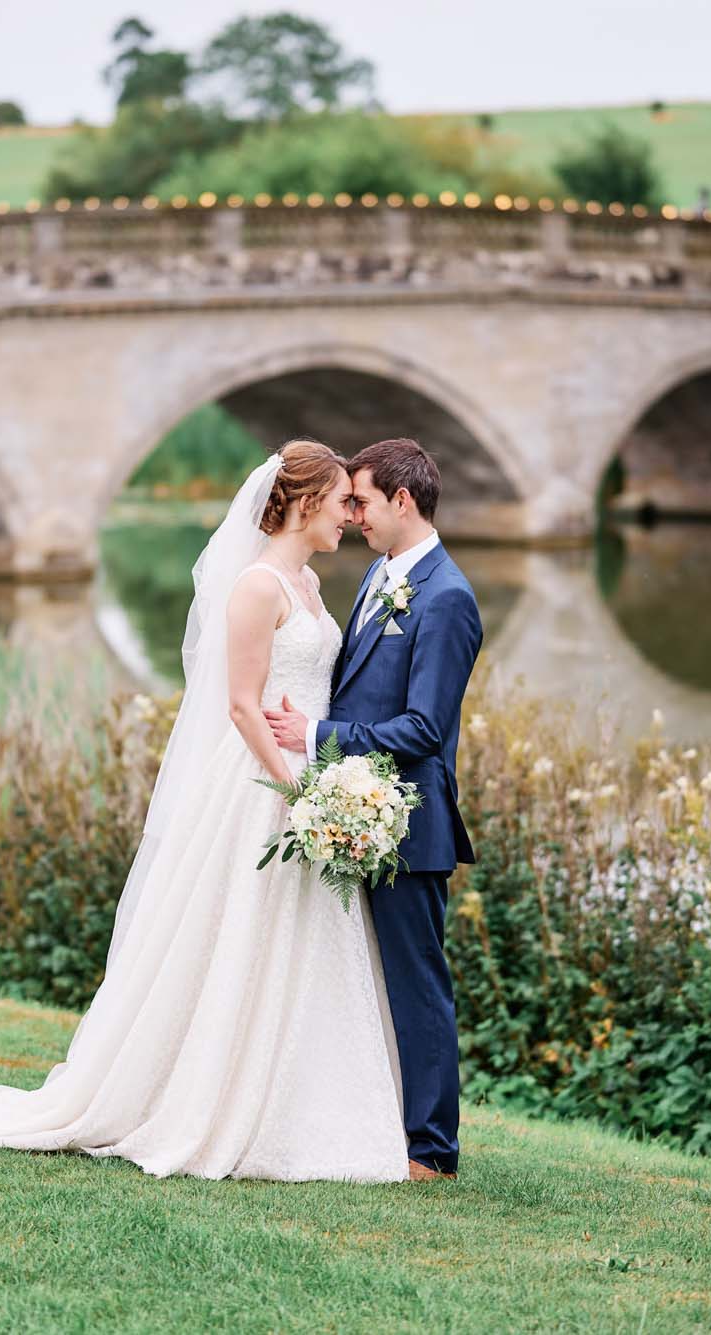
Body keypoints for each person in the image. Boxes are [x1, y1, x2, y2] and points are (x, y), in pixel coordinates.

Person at [0, 441, 412, 1183]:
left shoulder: (307, 584)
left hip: (306, 772)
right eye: (343, 500)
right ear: (307, 501)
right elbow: (242, 707)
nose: (351, 514)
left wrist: (326, 776)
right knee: (240, 938)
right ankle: (208, 1099)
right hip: (263, 786)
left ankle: (306, 1105)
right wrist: (299, 793)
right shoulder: (256, 586)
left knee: (306, 942)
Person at [264, 437, 483, 1181]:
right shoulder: (376, 578)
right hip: (355, 815)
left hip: (409, 824)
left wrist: (320, 736)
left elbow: (425, 728)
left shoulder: (448, 597)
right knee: (356, 981)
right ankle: (364, 1122)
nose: (350, 513)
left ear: (403, 500)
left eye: (360, 500)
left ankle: (432, 1151)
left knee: (418, 985)